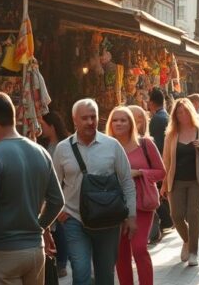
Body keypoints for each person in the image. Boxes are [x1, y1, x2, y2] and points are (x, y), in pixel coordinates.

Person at [0, 93, 64, 285]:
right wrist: (38, 228)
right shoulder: (41, 152)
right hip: (35, 253)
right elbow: (57, 201)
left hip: (2, 254)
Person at [53, 99, 138, 285]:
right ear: (74, 120)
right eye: (85, 118)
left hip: (107, 221)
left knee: (105, 276)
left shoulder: (112, 146)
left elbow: (126, 182)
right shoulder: (63, 149)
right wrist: (59, 211)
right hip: (75, 220)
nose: (90, 122)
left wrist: (131, 216)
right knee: (81, 272)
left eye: (93, 117)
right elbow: (54, 185)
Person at [161, 98, 199, 267]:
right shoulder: (171, 134)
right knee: (176, 216)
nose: (182, 115)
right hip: (177, 180)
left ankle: (194, 252)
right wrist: (164, 184)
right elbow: (166, 160)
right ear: (174, 115)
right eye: (179, 112)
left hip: (198, 180)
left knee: (193, 214)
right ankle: (187, 241)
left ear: (191, 112)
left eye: (185, 111)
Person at [107, 107, 165, 285]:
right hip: (115, 205)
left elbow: (161, 172)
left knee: (139, 249)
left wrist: (140, 172)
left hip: (142, 204)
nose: (119, 123)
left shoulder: (145, 144)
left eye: (123, 120)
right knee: (121, 254)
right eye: (115, 120)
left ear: (131, 122)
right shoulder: (105, 146)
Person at [37, 111, 71, 279]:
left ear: (52, 126)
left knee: (60, 228)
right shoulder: (45, 145)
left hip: (62, 192)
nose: (40, 128)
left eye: (43, 125)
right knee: (55, 228)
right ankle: (58, 260)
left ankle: (62, 262)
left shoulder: (64, 145)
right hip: (49, 191)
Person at [146, 89, 172, 242]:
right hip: (165, 160)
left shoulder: (157, 119)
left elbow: (157, 144)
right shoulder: (165, 116)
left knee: (159, 194)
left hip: (160, 161)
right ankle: (169, 220)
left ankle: (167, 220)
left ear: (151, 103)